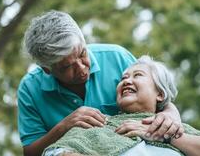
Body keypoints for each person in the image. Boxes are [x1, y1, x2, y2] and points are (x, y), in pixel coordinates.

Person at [17, 10, 183, 155]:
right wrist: (65, 126)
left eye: (82, 53)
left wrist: (171, 115)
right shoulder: (29, 89)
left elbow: (159, 98)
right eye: (68, 66)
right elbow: (31, 152)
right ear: (47, 69)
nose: (82, 68)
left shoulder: (117, 57)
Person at [42, 56, 200, 156]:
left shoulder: (174, 129)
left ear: (160, 94)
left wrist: (163, 136)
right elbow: (55, 153)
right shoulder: (96, 124)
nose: (126, 81)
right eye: (123, 78)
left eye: (138, 76)